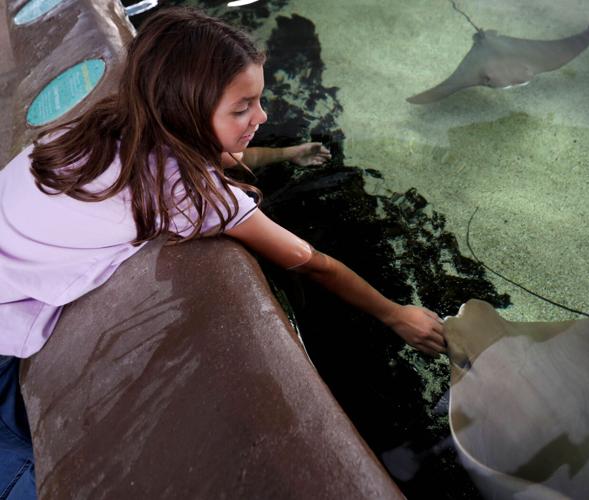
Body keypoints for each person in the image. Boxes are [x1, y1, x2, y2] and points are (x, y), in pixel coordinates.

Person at [0, 7, 446, 498]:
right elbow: (309, 260)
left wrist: (284, 155)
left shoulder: (102, 124)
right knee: (25, 473)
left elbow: (214, 151)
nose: (263, 116)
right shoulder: (193, 197)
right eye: (243, 108)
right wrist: (395, 314)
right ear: (186, 112)